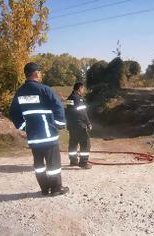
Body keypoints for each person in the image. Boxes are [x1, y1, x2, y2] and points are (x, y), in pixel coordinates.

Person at [9, 62, 69, 196]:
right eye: (40, 72)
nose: (41, 74)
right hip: (48, 135)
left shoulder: (20, 92)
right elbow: (58, 106)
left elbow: (13, 112)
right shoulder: (44, 89)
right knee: (53, 163)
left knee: (39, 164)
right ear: (36, 73)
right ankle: (56, 188)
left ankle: (44, 188)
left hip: (33, 136)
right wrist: (59, 124)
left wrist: (24, 126)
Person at [66, 82, 92, 169]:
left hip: (71, 125)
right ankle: (83, 163)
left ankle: (73, 161)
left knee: (73, 143)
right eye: (83, 88)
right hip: (79, 124)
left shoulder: (69, 98)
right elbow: (82, 112)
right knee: (85, 143)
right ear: (80, 88)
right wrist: (88, 123)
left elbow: (68, 111)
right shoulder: (78, 99)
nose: (83, 90)